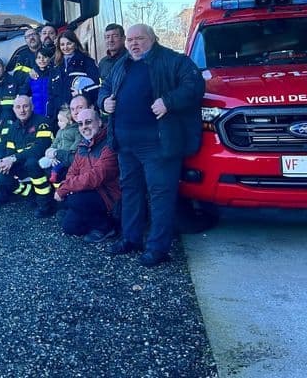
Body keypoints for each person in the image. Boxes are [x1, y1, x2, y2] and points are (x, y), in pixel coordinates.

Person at [99, 24, 205, 267]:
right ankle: (131, 238)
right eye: (131, 40)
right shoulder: (122, 63)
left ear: (153, 39)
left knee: (160, 196)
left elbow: (195, 86)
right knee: (131, 192)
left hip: (158, 144)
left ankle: (158, 248)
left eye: (140, 39)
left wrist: (169, 101)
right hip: (126, 145)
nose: (134, 44)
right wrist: (104, 101)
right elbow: (105, 87)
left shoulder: (174, 60)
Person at [54, 109, 120, 243]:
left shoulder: (109, 144)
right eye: (80, 124)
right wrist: (68, 186)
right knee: (69, 227)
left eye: (88, 122)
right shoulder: (83, 145)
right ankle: (87, 216)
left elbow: (96, 176)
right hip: (89, 191)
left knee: (74, 200)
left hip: (108, 195)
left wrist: (65, 188)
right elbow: (72, 171)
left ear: (100, 121)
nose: (84, 127)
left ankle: (107, 226)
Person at [0, 95, 53, 215]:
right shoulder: (13, 127)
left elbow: (40, 149)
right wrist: (6, 161)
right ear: (14, 110)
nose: (22, 110)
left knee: (32, 163)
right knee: (2, 175)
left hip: (39, 164)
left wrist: (13, 158)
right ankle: (31, 193)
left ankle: (45, 204)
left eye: (25, 106)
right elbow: (10, 150)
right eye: (18, 107)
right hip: (21, 163)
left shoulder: (42, 123)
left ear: (32, 107)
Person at [47, 30, 100, 131]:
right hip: (60, 117)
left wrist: (81, 93)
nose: (65, 47)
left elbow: (97, 85)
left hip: (80, 115)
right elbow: (50, 92)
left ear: (75, 44)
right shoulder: (55, 65)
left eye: (69, 43)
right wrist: (51, 113)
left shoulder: (86, 61)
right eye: (62, 44)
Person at [39, 104, 81, 190]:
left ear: (70, 121)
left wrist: (71, 150)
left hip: (66, 154)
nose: (58, 123)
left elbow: (77, 141)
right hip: (57, 153)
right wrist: (50, 150)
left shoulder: (75, 130)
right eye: (58, 120)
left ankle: (55, 175)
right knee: (43, 162)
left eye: (61, 121)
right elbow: (55, 142)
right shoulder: (59, 132)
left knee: (59, 166)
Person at [27, 45, 55, 117]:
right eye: (39, 58)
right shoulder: (32, 76)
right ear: (35, 60)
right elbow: (24, 92)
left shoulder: (54, 74)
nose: (41, 60)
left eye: (44, 57)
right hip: (35, 113)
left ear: (50, 59)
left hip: (51, 112)